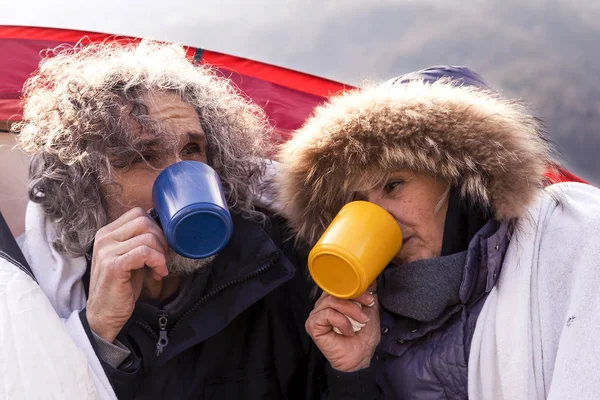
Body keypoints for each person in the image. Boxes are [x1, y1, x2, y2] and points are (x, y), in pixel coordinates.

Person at [13, 40, 323, 400]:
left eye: (193, 149)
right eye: (145, 154)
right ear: (86, 182)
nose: (181, 171)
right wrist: (97, 332)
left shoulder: (278, 260)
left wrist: (352, 368)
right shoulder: (37, 297)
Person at [276, 66, 600, 399]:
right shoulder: (370, 319)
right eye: (359, 201)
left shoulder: (559, 252)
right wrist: (353, 374)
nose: (376, 213)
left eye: (393, 185)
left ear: (461, 179)